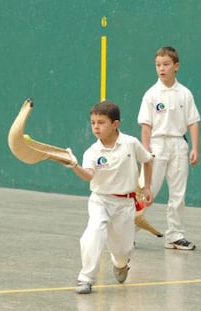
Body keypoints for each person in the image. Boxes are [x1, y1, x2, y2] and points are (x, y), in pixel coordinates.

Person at [65, 100, 154, 294]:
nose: (96, 127)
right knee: (94, 231)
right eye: (93, 123)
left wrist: (146, 187)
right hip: (101, 200)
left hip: (125, 204)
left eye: (101, 122)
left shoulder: (130, 143)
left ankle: (121, 264)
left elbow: (148, 160)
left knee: (122, 251)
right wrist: (74, 166)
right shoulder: (92, 151)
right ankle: (86, 278)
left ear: (115, 124)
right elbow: (89, 175)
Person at [137, 46, 201, 250]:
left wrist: (194, 148)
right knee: (146, 191)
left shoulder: (185, 94)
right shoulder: (151, 94)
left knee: (178, 193)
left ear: (176, 66)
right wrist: (146, 152)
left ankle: (175, 235)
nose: (161, 69)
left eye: (165, 64)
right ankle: (127, 232)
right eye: (158, 65)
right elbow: (145, 125)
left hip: (179, 145)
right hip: (156, 145)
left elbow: (193, 122)